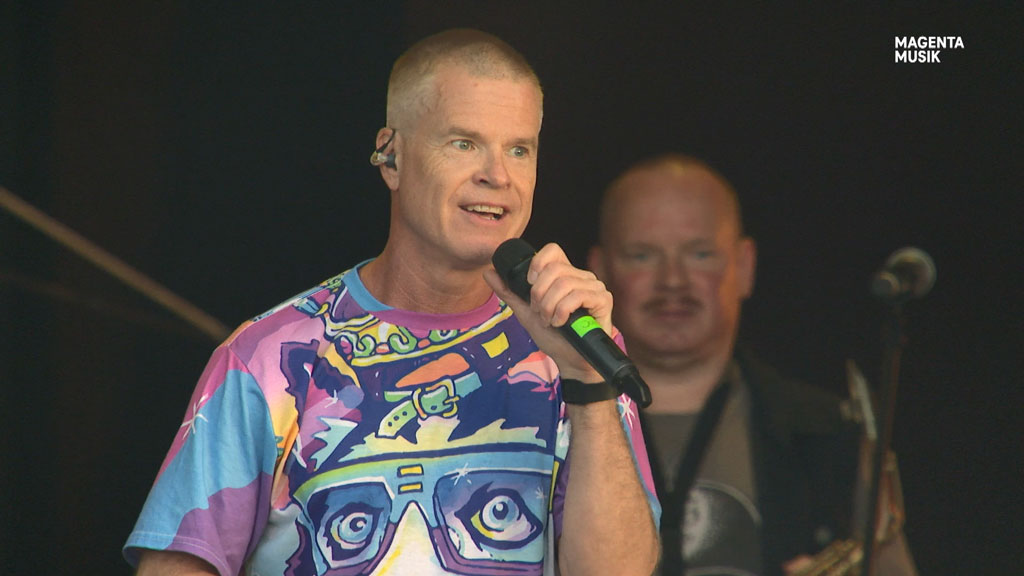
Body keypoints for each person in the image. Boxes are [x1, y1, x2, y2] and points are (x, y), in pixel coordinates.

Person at [123, 29, 660, 576]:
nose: (497, 176)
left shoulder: (574, 345)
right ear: (392, 157)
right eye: (464, 143)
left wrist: (588, 387)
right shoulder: (270, 356)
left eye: (519, 149)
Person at [587, 154, 918, 575]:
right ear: (599, 271)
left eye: (700, 254)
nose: (672, 280)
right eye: (641, 255)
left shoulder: (831, 435)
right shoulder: (546, 425)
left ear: (744, 266)